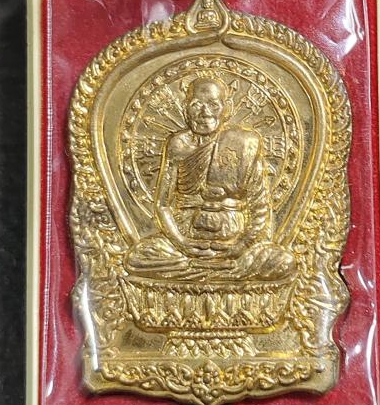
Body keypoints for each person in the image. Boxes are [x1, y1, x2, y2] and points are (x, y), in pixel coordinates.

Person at [124, 76, 296, 282]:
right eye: (197, 105)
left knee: (284, 262)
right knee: (136, 258)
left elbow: (260, 206)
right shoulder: (178, 145)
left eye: (213, 105)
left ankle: (206, 270)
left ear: (227, 108)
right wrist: (181, 242)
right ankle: (223, 272)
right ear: (185, 109)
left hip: (234, 240)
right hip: (186, 239)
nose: (205, 112)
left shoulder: (245, 143)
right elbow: (163, 205)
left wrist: (241, 245)